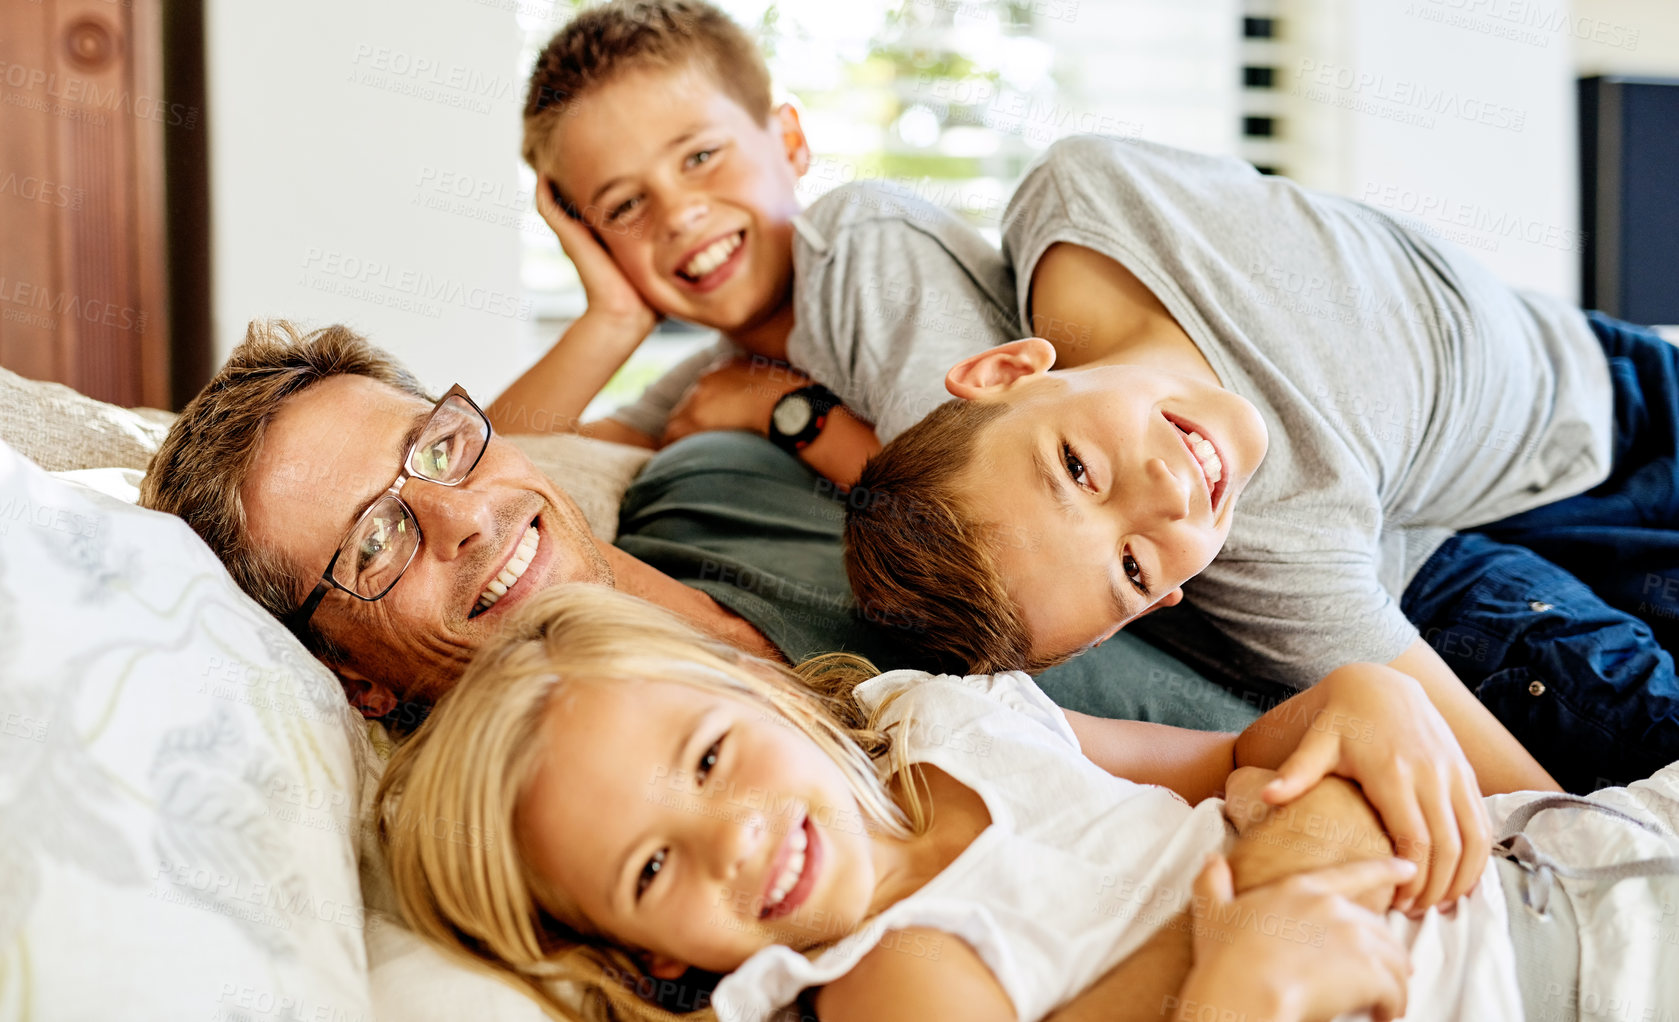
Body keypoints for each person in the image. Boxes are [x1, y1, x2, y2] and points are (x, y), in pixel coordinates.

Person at [142, 321, 1516, 914]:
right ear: (351, 676)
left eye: (437, 449)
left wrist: (773, 404)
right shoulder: (667, 839)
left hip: (1416, 594)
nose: (460, 516)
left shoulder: (710, 487)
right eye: (375, 538)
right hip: (1380, 845)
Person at [378, 584, 1679, 1022]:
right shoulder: (883, 973)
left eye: (712, 757)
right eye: (651, 866)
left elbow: (1232, 763)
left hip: (1561, 858)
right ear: (652, 953)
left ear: (763, 694)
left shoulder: (940, 716)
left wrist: (1356, 700)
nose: (732, 839)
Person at [842, 132, 1679, 794]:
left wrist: (782, 412)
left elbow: (856, 232)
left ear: (1007, 368)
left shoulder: (1088, 189)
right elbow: (1533, 802)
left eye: (1077, 469)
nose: (1168, 499)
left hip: (1599, 356)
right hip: (1552, 502)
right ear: (1167, 600)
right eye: (1132, 568)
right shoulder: (1278, 555)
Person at [495, 0, 1019, 490]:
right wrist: (613, 319)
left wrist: (782, 410)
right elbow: (488, 478)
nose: (677, 214)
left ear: (789, 142)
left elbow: (978, 508)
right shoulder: (722, 372)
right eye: (625, 205)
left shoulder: (862, 240)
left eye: (701, 157)